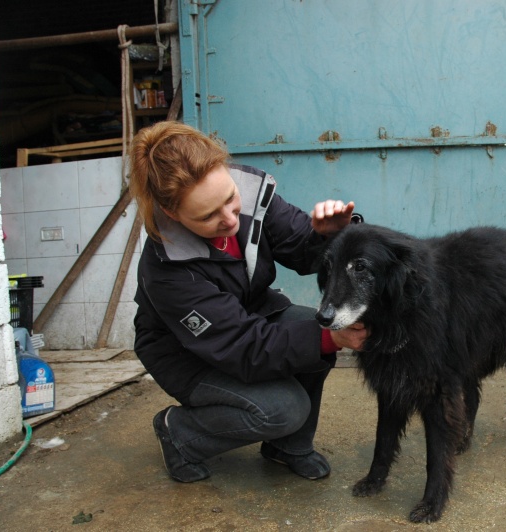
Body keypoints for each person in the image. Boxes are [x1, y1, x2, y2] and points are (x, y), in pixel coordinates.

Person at [129, 120, 367, 483]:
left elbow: (304, 253)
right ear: (173, 214)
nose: (229, 220)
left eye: (229, 199)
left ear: (226, 171)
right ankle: (180, 434)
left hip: (249, 315)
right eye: (208, 216)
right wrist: (331, 338)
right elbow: (242, 346)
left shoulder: (251, 193)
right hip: (186, 353)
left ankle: (288, 448)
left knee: (311, 335)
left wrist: (330, 234)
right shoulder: (168, 269)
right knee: (282, 408)